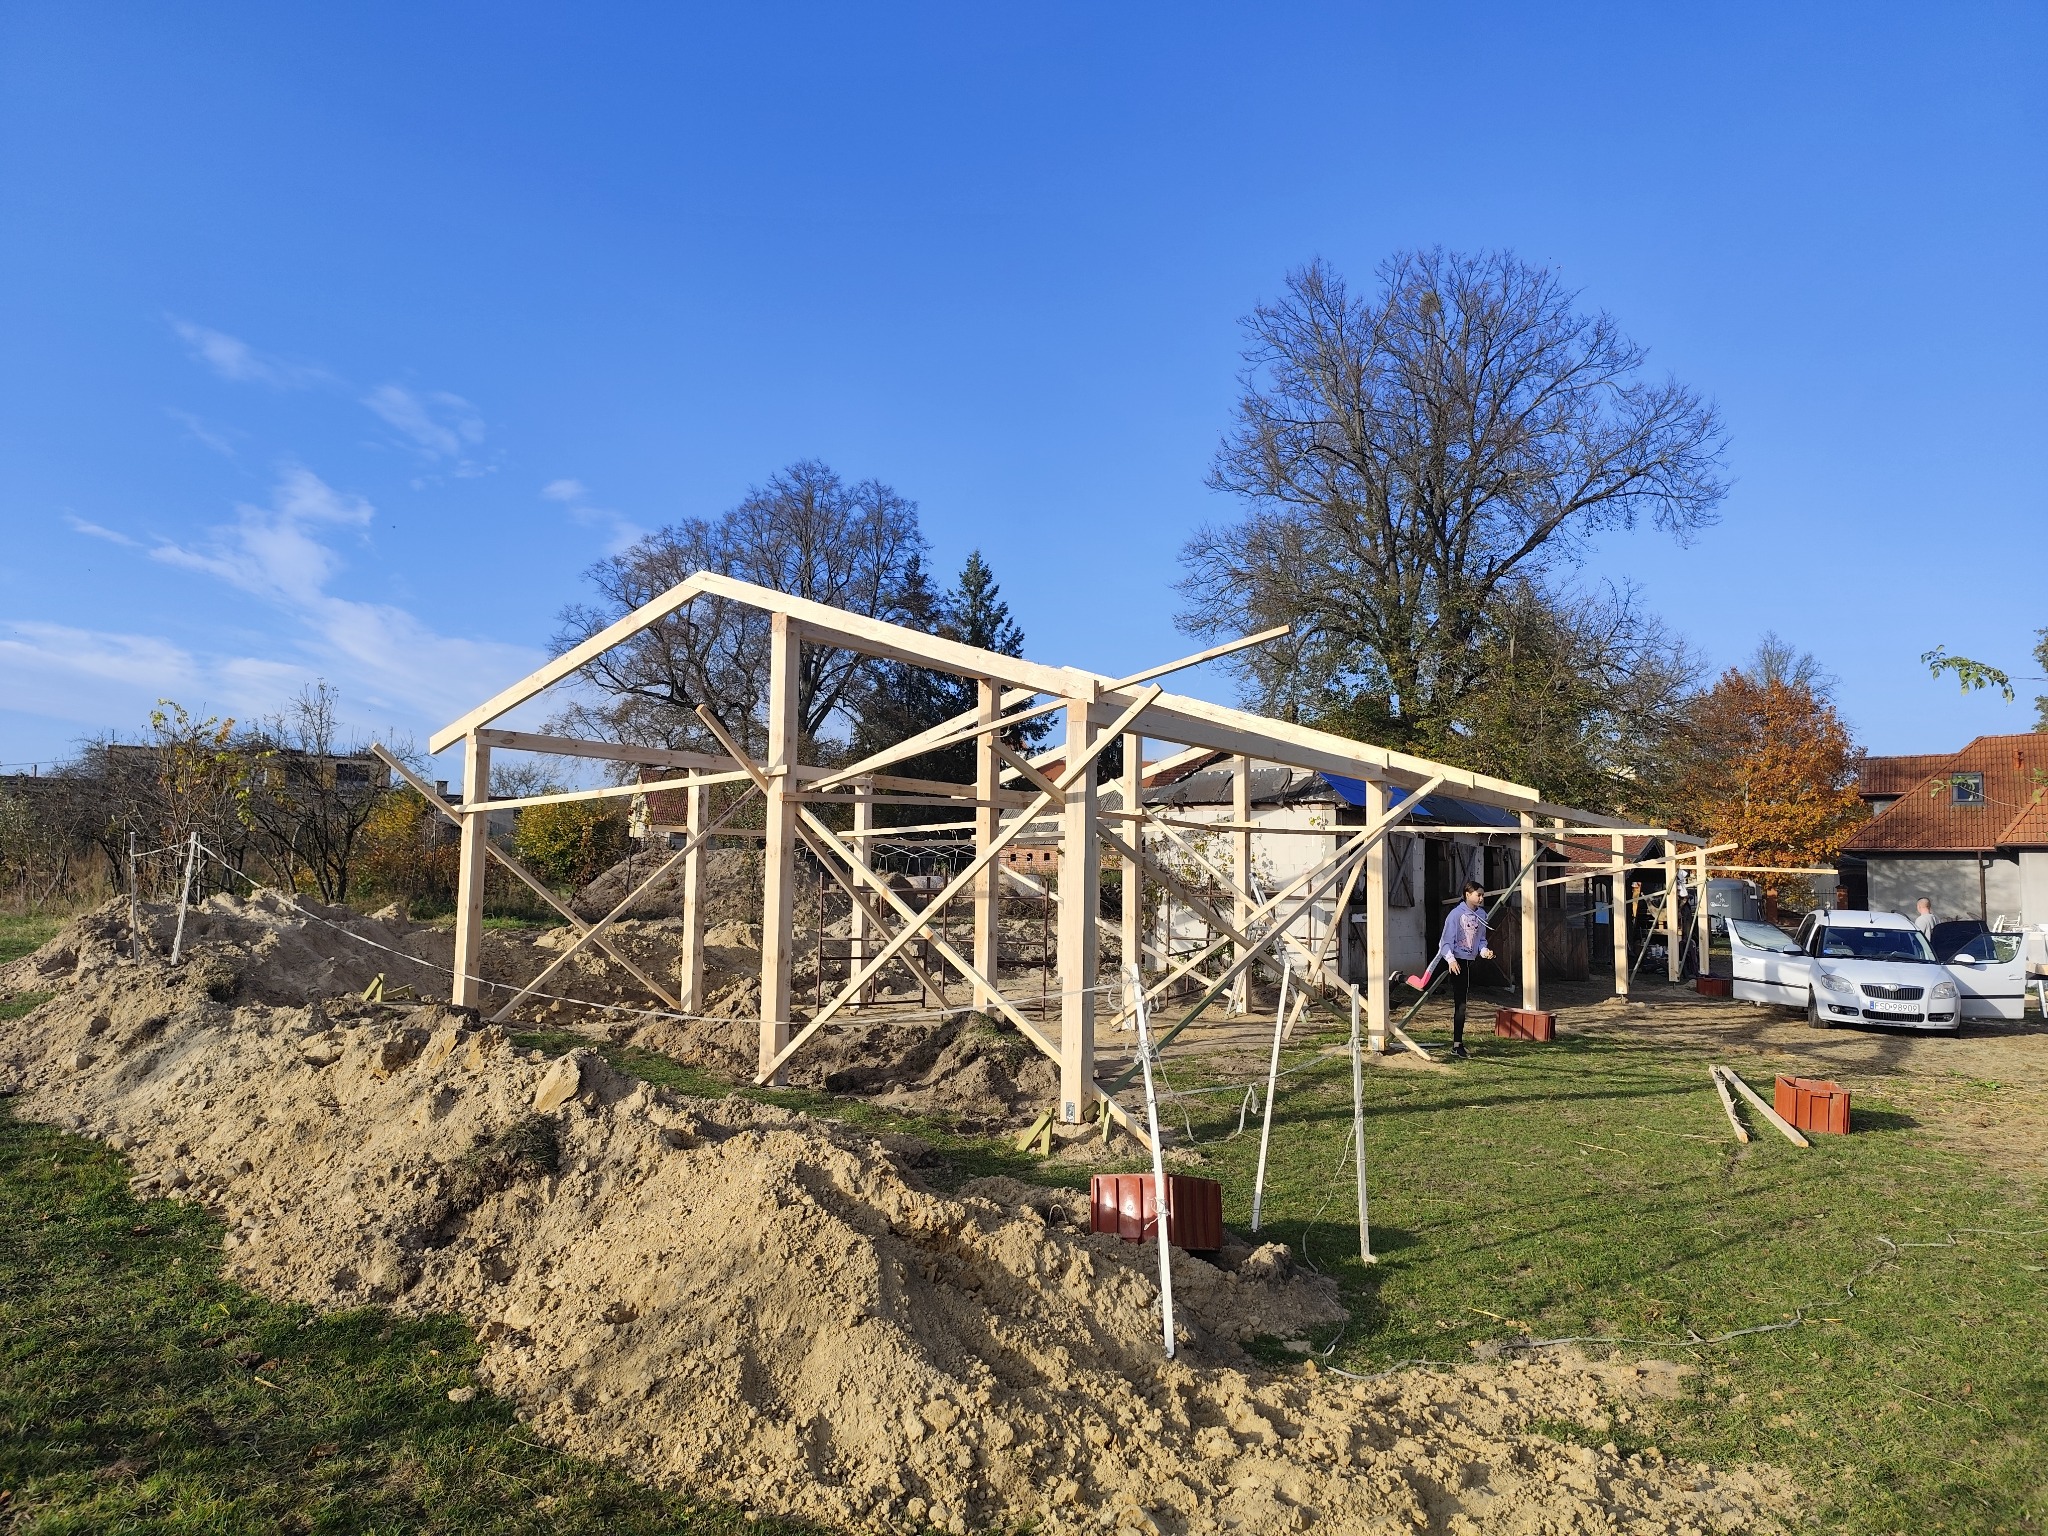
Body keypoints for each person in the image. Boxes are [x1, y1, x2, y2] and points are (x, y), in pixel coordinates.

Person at [1436, 880, 1493, 1060]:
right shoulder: (1455, 915)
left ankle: (1457, 1045)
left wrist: (1484, 951)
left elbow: (1481, 940)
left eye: (1483, 895)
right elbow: (1445, 941)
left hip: (1465, 962)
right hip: (1449, 959)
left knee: (1461, 1004)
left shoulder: (1482, 915)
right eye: (1479, 895)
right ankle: (1398, 979)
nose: (1481, 898)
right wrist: (1451, 960)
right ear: (1468, 895)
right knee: (1423, 986)